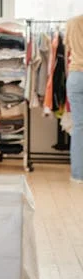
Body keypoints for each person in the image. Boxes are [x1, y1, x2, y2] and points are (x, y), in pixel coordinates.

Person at [66, 14, 83, 183]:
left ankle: (78, 175)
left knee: (79, 127)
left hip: (75, 75)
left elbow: (68, 49)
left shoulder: (72, 22)